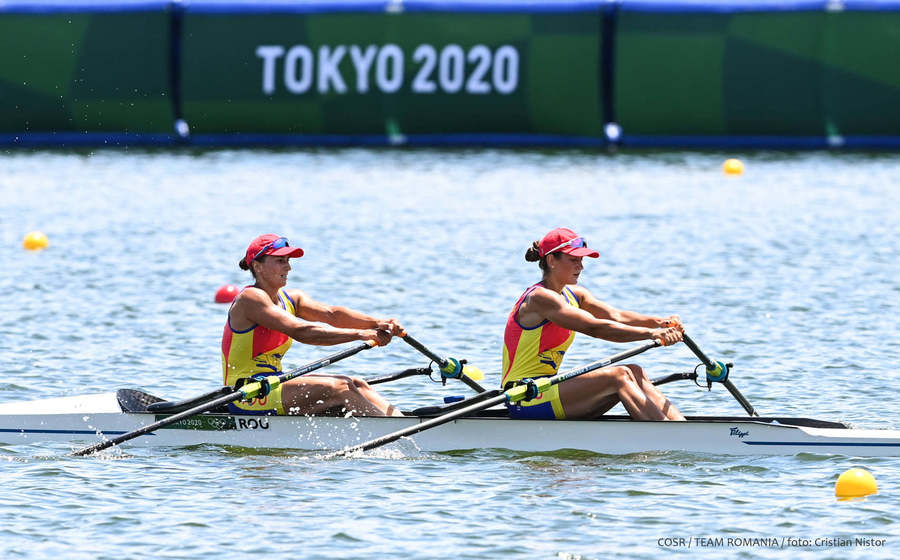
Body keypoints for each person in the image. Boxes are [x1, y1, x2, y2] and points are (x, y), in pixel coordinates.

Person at [502, 227, 686, 421]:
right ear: (551, 260)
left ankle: (680, 428)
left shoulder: (575, 294)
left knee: (635, 370)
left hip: (547, 389)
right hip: (524, 396)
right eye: (573, 260)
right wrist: (652, 334)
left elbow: (616, 316)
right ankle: (666, 438)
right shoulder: (540, 298)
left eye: (581, 260)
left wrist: (661, 322)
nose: (580, 267)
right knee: (620, 375)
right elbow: (595, 328)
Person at [222, 234, 404, 417]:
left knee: (356, 383)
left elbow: (332, 315)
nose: (288, 267)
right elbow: (301, 332)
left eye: (288, 260)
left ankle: (402, 423)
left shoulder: (291, 299)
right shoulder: (251, 298)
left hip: (273, 383)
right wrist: (360, 334)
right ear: (257, 266)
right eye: (280, 261)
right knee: (340, 387)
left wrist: (380, 323)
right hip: (246, 393)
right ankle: (395, 436)